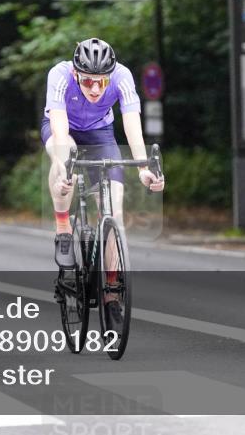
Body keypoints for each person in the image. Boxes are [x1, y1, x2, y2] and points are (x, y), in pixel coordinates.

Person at [42, 38, 165, 323]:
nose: (95, 89)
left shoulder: (122, 76)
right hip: (64, 129)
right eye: (87, 82)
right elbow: (59, 129)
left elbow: (132, 123)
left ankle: (111, 293)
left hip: (100, 133)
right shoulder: (59, 74)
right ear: (76, 74)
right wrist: (63, 167)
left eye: (102, 82)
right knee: (66, 156)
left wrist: (143, 167)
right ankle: (63, 229)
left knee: (114, 213)